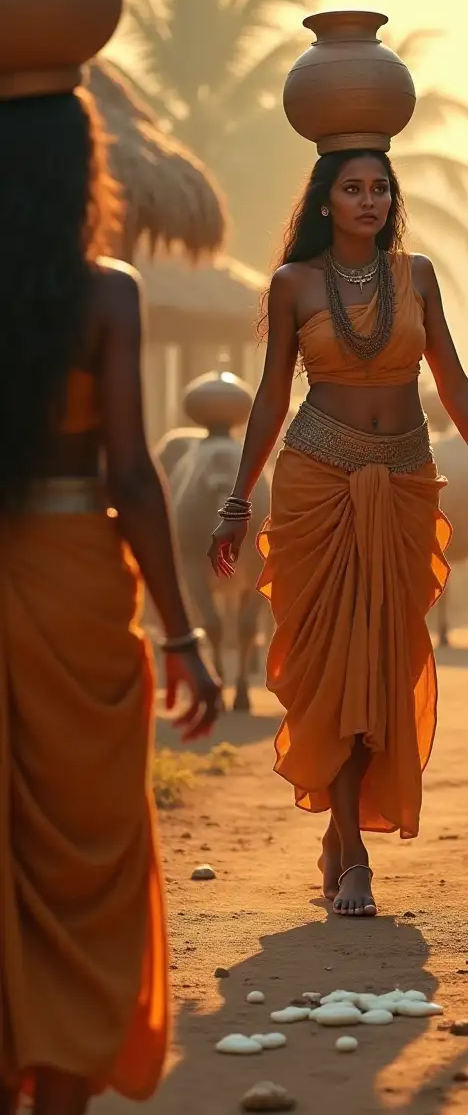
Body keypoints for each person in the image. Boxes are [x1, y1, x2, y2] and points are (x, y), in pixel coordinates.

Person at [209, 148, 468, 918]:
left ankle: (342, 833)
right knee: (333, 662)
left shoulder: (415, 276)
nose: (369, 200)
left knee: (382, 662)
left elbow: (451, 383)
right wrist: (235, 500)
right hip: (316, 482)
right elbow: (269, 398)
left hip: (405, 483)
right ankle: (354, 849)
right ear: (324, 201)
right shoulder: (293, 285)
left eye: (380, 187)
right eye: (352, 188)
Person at [0, 90, 220, 1115]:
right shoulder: (109, 297)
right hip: (76, 577)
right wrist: (183, 632)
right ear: (88, 173)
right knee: (82, 855)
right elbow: (132, 475)